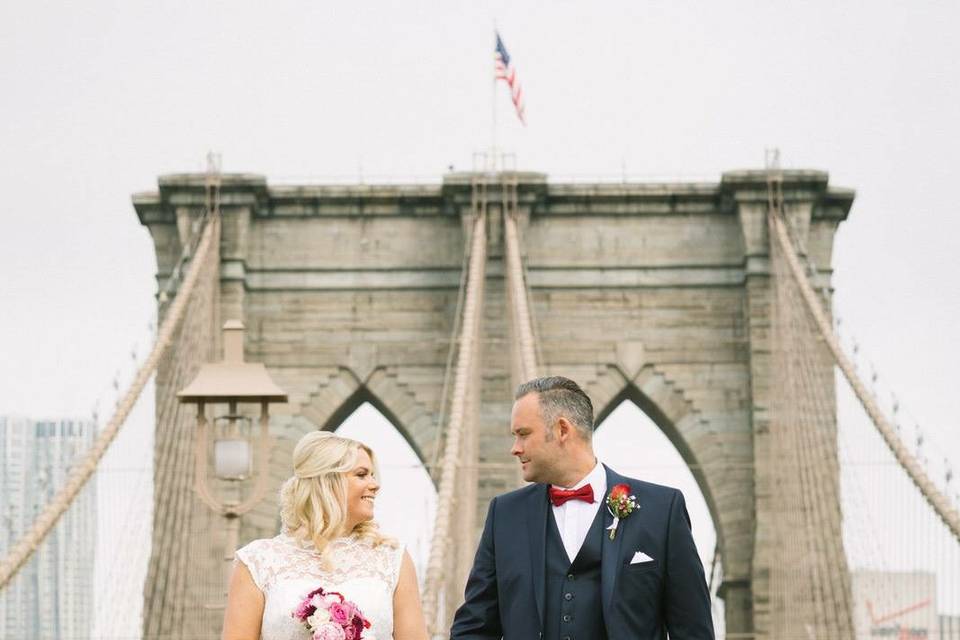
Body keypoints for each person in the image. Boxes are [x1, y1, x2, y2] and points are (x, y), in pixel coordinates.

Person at [450, 376, 715, 639]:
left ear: (563, 430)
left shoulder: (661, 511)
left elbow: (693, 631)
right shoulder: (504, 515)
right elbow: (474, 628)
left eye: (523, 434)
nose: (514, 449)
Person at [222, 431, 429, 640]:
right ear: (327, 481)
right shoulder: (257, 561)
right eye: (361, 474)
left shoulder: (392, 559)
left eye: (372, 475)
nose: (375, 485)